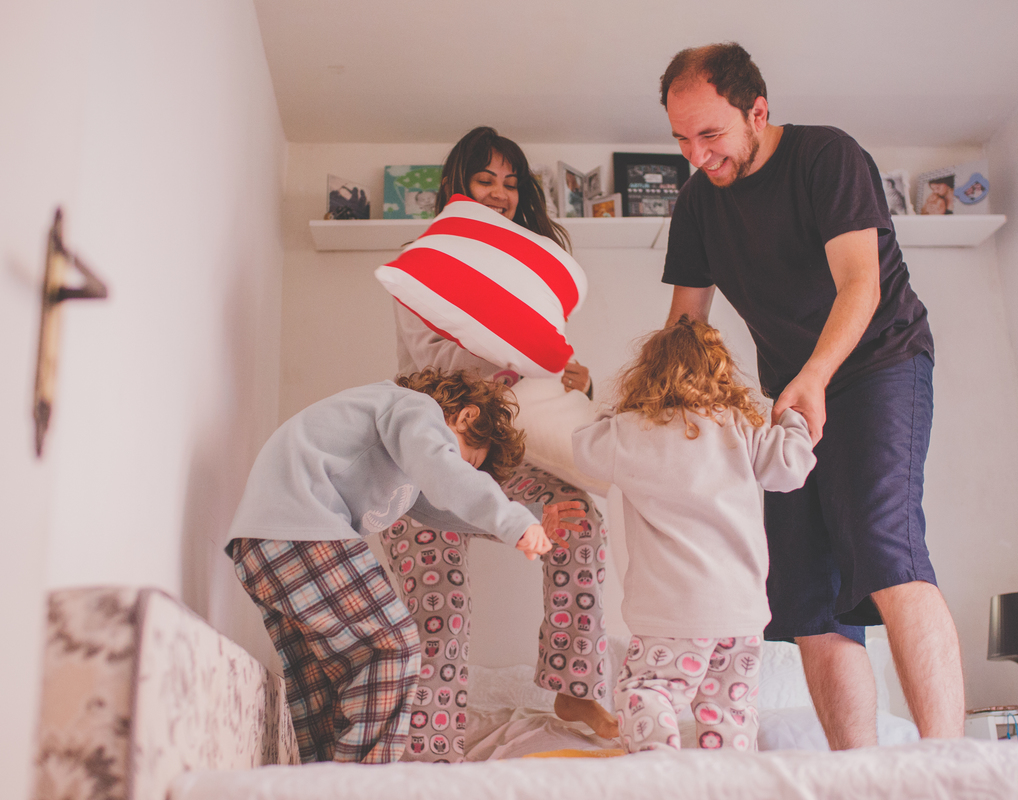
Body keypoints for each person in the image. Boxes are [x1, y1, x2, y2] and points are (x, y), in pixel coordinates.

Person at [658, 42, 965, 748]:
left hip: (878, 363)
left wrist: (816, 375)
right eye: (681, 139)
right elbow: (684, 329)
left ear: (757, 111)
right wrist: (666, 418)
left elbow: (862, 283)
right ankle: (854, 775)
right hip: (793, 396)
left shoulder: (826, 157)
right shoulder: (698, 205)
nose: (697, 155)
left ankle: (947, 768)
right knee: (804, 595)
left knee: (885, 544)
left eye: (711, 134)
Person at [385, 125, 620, 762]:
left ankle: (576, 685)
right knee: (441, 608)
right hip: (427, 462)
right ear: (457, 187)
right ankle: (431, 750)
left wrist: (577, 376)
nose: (499, 194)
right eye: (485, 180)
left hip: (504, 455)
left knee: (579, 523)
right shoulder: (427, 263)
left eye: (511, 185)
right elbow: (429, 360)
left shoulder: (529, 273)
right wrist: (511, 354)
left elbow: (545, 379)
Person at [225, 369, 557, 764]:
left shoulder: (403, 452)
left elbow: (441, 509)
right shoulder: (415, 408)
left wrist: (531, 518)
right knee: (393, 646)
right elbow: (446, 474)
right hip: (299, 528)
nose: (459, 468)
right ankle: (363, 788)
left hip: (261, 545)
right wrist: (513, 519)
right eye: (467, 460)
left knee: (323, 694)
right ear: (466, 416)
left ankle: (321, 784)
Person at [572, 316, 816, 753]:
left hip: (671, 610)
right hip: (739, 612)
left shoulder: (631, 430)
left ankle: (660, 768)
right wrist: (792, 420)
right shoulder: (741, 427)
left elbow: (585, 449)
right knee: (730, 711)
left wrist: (613, 407)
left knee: (647, 691)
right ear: (721, 373)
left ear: (646, 375)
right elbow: (790, 469)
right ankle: (727, 782)